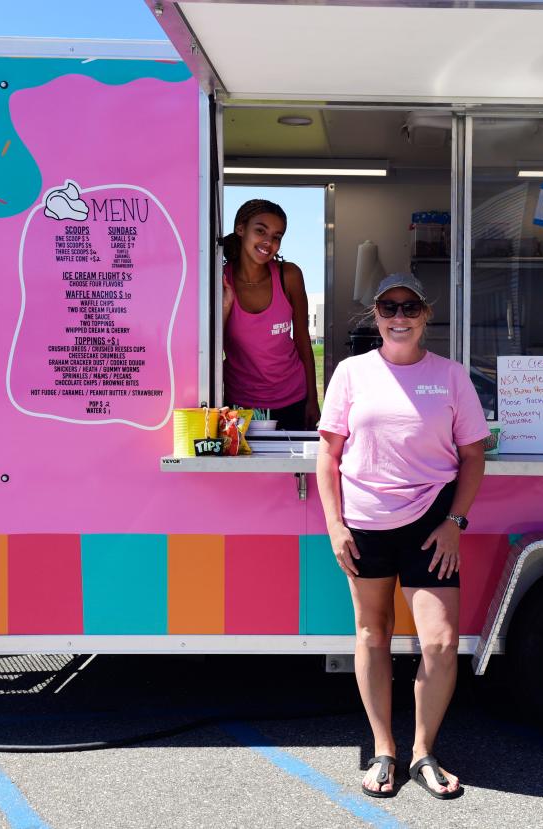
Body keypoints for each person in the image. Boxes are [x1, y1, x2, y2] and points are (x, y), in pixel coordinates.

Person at [316, 273, 489, 800]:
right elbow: (329, 454)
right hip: (366, 520)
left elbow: (473, 456)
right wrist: (334, 523)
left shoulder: (452, 376)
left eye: (408, 306)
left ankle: (423, 753)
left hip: (432, 522)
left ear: (425, 314)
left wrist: (455, 523)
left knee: (438, 643)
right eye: (388, 307)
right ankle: (384, 750)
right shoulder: (350, 373)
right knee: (373, 634)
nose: (398, 316)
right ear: (375, 314)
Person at [221, 199, 319, 430]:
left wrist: (312, 400)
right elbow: (208, 348)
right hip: (240, 404)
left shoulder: (289, 276)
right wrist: (226, 307)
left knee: (293, 467)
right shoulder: (219, 279)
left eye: (277, 236)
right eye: (260, 231)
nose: (269, 242)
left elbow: (303, 340)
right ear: (241, 229)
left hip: (294, 398)